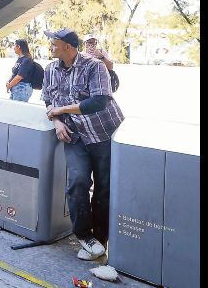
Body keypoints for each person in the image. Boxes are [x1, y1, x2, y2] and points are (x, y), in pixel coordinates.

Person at [42, 27, 124, 262]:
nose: (51, 47)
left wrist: (62, 110)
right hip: (75, 136)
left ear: (68, 46)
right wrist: (57, 121)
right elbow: (48, 101)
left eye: (54, 43)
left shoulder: (94, 66)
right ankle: (85, 236)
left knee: (104, 189)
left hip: (105, 135)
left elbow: (98, 102)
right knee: (77, 182)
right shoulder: (50, 69)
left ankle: (101, 238)